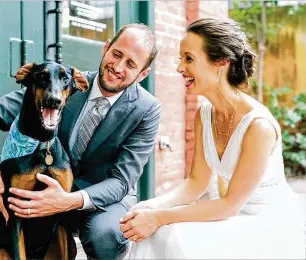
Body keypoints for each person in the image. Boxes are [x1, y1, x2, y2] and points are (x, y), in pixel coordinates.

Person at [120, 18, 305, 259]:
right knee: (148, 218)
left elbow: (230, 205)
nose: (179, 68)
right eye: (181, 59)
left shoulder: (258, 126)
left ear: (220, 63)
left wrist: (159, 217)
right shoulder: (204, 114)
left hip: (266, 224)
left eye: (189, 58)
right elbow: (196, 183)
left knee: (171, 235)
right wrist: (152, 207)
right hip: (230, 215)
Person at [0, 23, 161, 260]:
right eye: (116, 54)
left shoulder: (146, 109)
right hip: (43, 186)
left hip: (99, 198)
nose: (117, 67)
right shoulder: (62, 82)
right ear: (105, 48)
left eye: (130, 64)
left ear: (143, 74)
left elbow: (120, 181)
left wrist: (68, 201)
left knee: (104, 234)